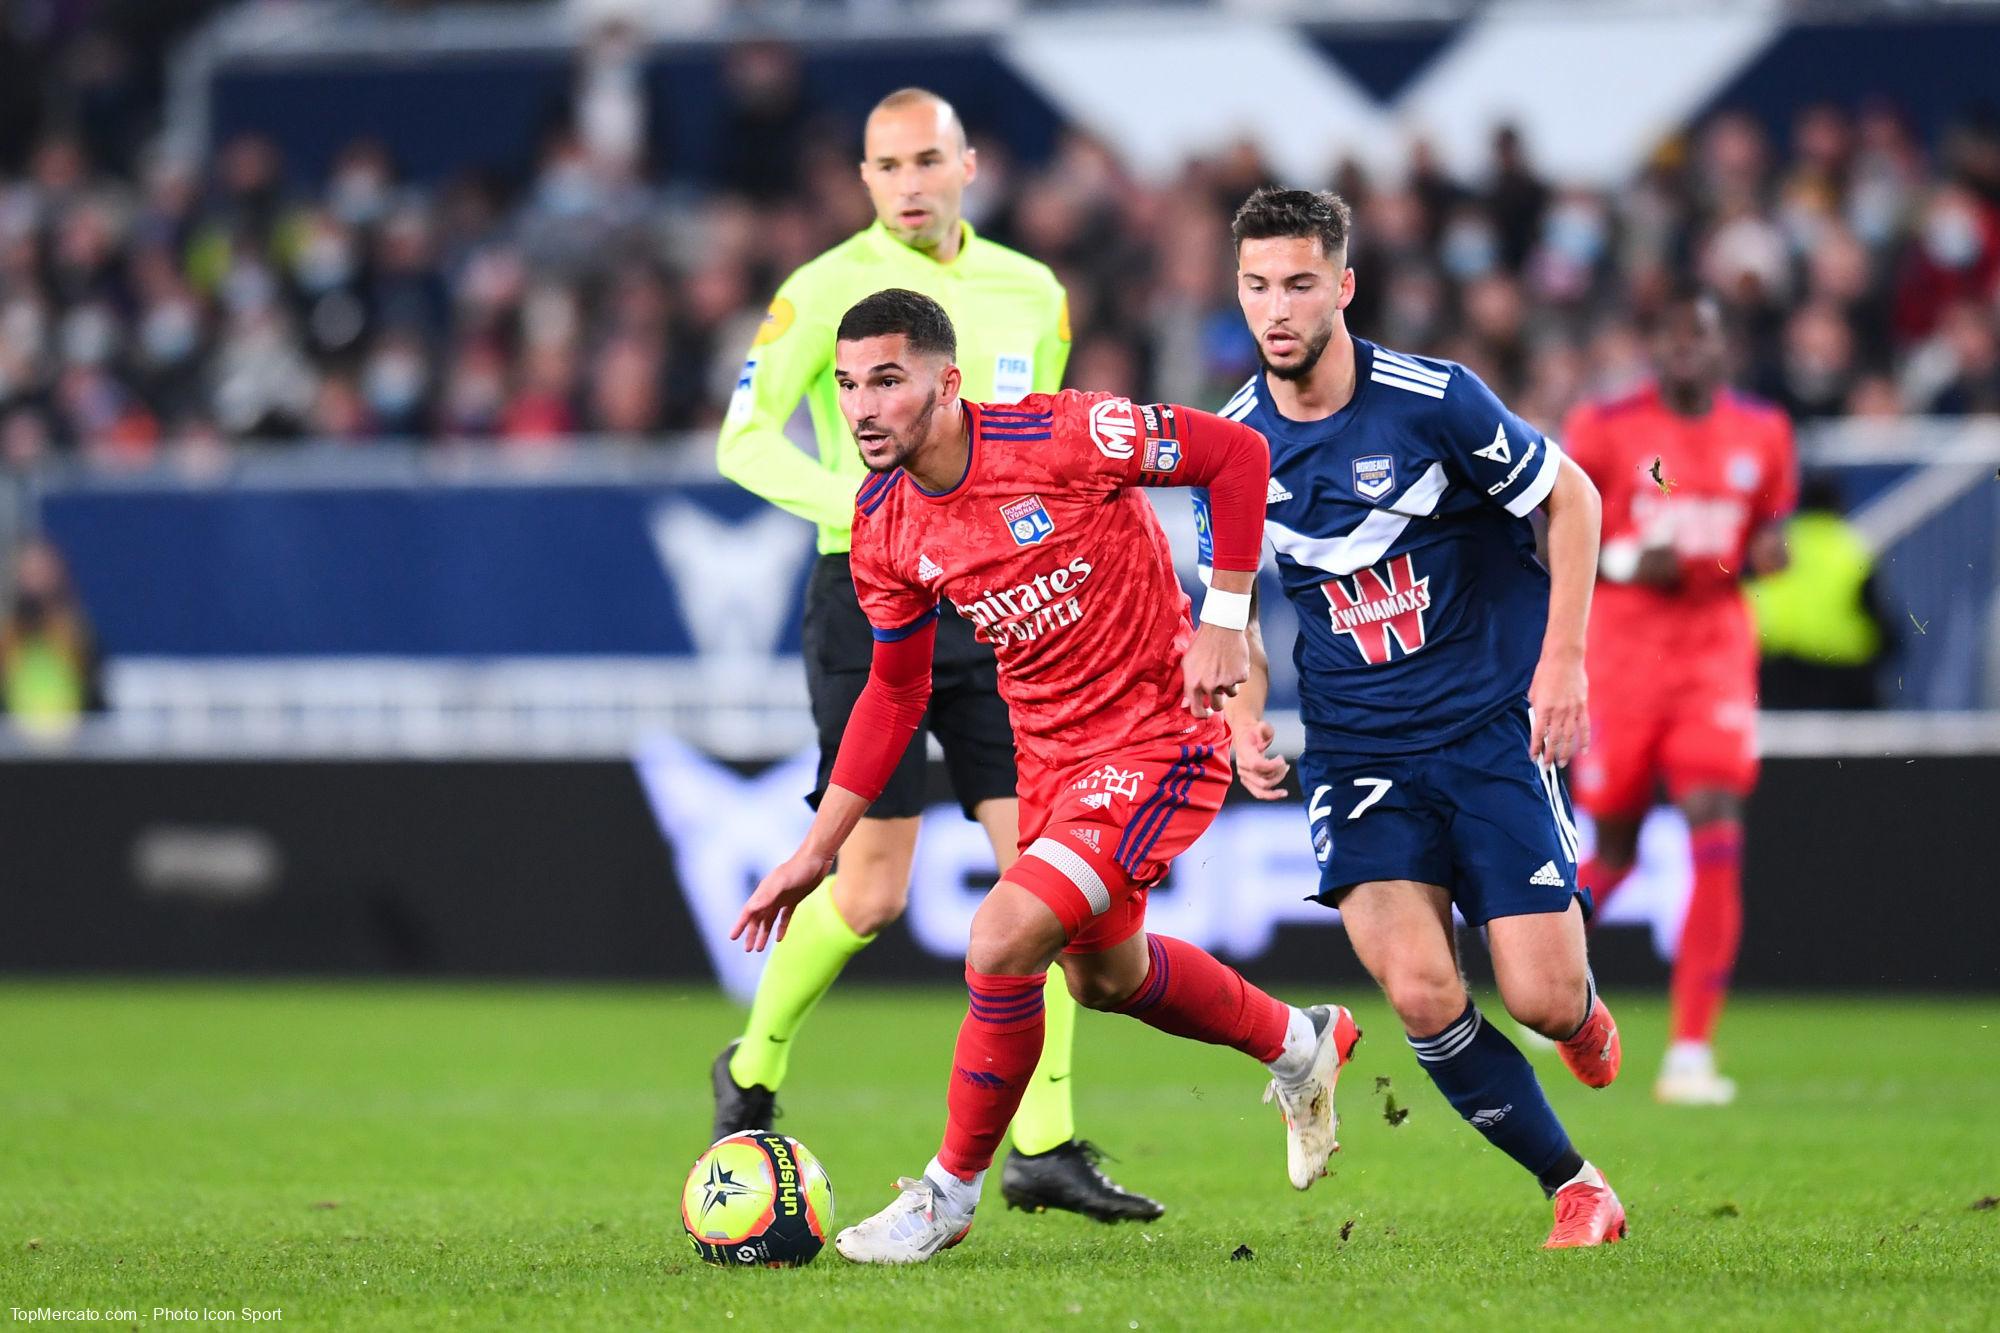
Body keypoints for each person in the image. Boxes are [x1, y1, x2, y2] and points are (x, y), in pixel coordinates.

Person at [733, 288, 1359, 1266]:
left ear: (946, 383)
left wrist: (1227, 615)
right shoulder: (885, 524)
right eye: (848, 384)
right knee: (1103, 975)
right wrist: (815, 851)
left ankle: (946, 1192)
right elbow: (893, 699)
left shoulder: (1065, 434)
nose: (860, 408)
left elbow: (1232, 457)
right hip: (1052, 760)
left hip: (1159, 735)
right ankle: (1298, 1043)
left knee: (1001, 934)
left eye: (887, 381)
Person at [712, 89, 1155, 1219]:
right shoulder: (818, 293)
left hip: (999, 604)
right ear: (861, 180)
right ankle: (753, 1060)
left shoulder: (1031, 291)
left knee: (1048, 882)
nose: (906, 181)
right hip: (868, 601)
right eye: (883, 165)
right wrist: (861, 507)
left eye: (924, 159)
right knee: (868, 895)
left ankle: (1043, 1146)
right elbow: (743, 437)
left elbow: (1045, 441)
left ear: (968, 162)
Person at [1217, 188, 1626, 1250]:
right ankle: (1575, 1187)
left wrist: (1563, 661)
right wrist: (1242, 713)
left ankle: (1575, 1011)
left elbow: (1569, 498)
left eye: (1299, 282)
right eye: (1257, 285)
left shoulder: (1431, 399)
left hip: (1489, 726)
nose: (1277, 307)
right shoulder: (1233, 447)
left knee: (1536, 998)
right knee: (1415, 986)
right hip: (1356, 749)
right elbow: (1228, 610)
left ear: (1342, 287)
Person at [1562, 292, 1797, 1105]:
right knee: (1618, 844)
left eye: (1703, 334)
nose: (1689, 349)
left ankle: (1691, 1048)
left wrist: (1770, 550)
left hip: (1714, 657)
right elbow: (1552, 529)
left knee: (1716, 830)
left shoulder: (1764, 432)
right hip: (1624, 656)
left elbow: (1768, 527)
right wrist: (1626, 564)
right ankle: (1548, 979)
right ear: (1656, 345)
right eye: (1675, 335)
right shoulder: (1604, 426)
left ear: (1724, 346)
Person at [1751, 473, 1893, 711]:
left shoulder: (1779, 546)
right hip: (1844, 680)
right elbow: (1882, 624)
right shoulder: (1851, 547)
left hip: (1781, 680)